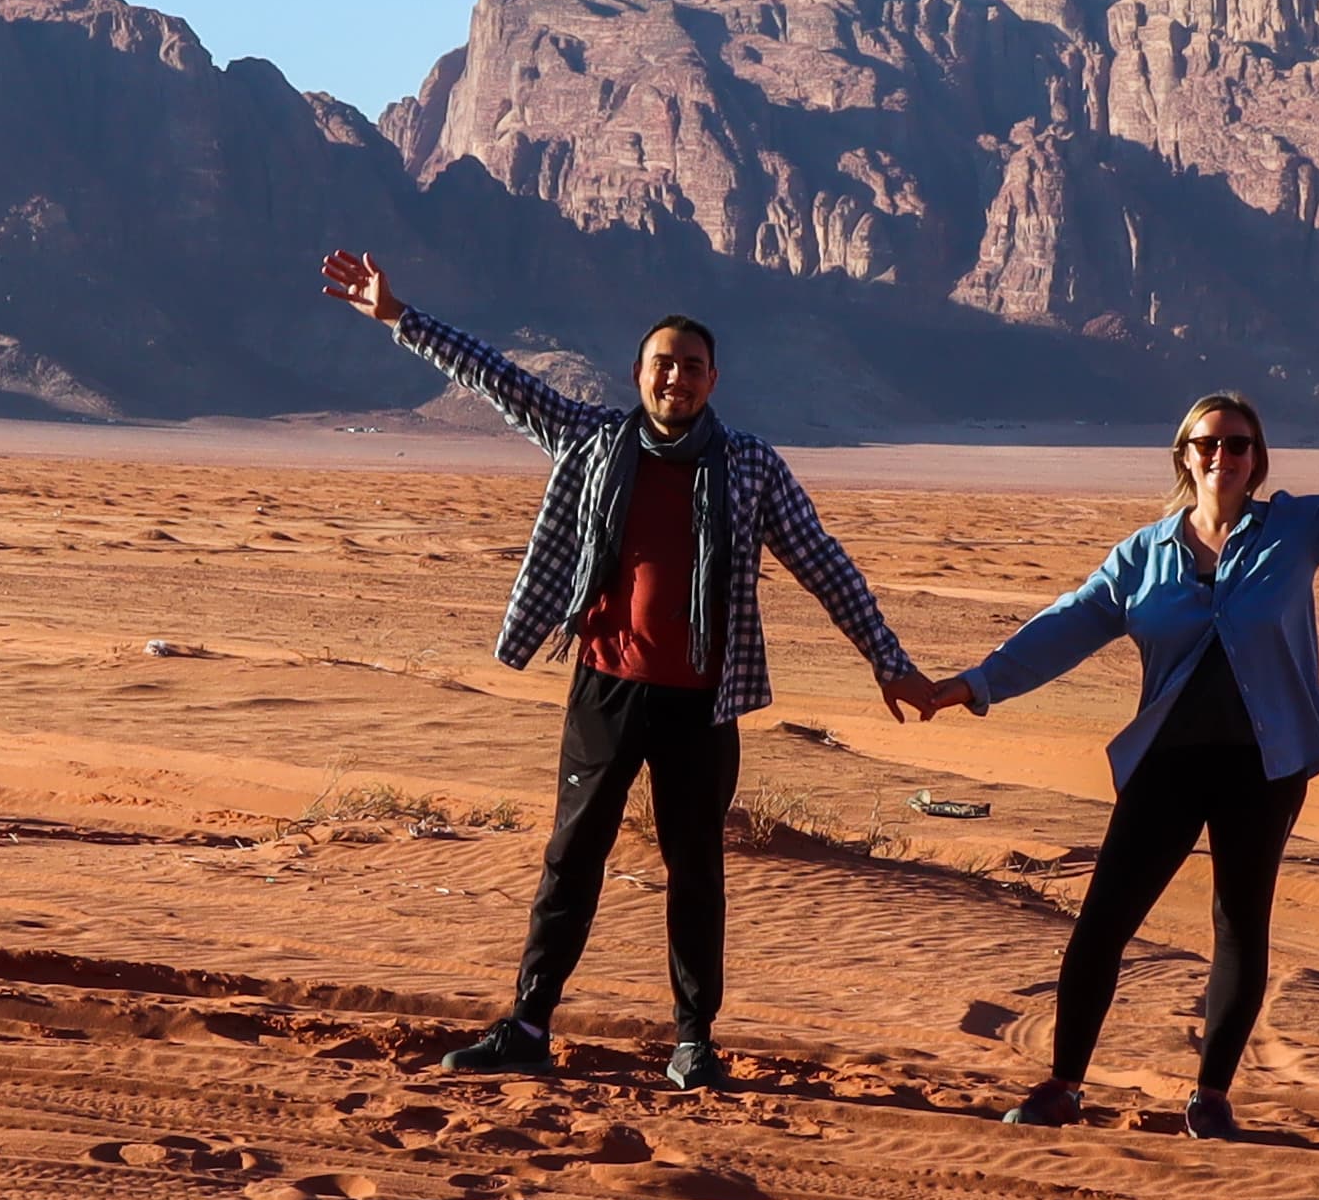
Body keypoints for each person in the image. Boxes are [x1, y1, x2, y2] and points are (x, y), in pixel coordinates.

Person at [322, 247, 935, 1092]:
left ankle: (693, 1040)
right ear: (637, 374)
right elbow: (498, 380)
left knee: (696, 871)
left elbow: (824, 564)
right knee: (572, 857)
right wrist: (399, 316)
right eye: (661, 364)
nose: (674, 378)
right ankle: (529, 1024)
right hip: (608, 688)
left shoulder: (752, 466)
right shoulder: (593, 439)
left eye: (690, 366)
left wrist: (888, 662)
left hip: (705, 701)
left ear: (713, 381)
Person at [914, 391, 1319, 1140]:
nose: (1223, 456)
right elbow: (1065, 625)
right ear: (1183, 456)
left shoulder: (1295, 528)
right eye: (1208, 443)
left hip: (1264, 764)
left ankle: (1211, 1097)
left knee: (1238, 925)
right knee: (1102, 924)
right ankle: (1062, 1086)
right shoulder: (1141, 555)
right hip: (1167, 763)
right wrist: (975, 684)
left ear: (1258, 460)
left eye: (1239, 444)